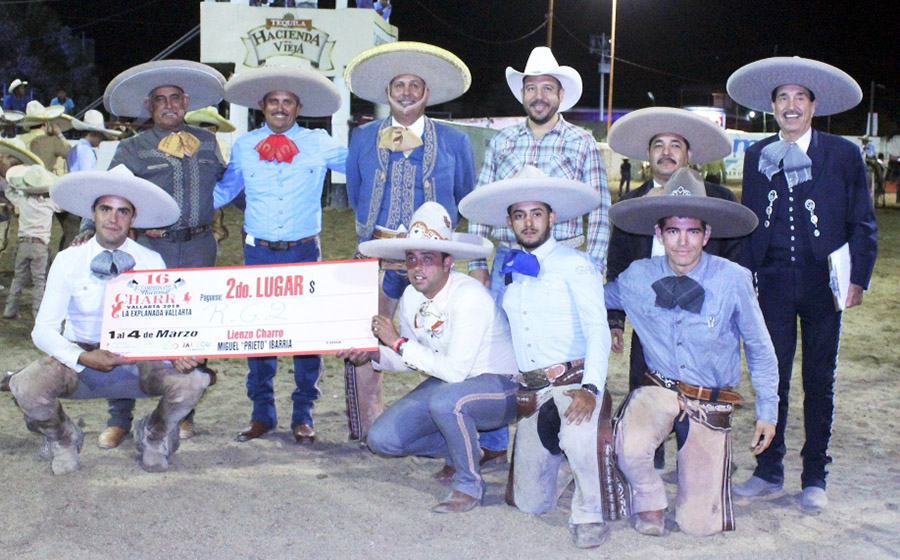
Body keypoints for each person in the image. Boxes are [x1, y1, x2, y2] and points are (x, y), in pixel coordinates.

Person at [727, 57, 878, 510]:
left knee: (819, 379)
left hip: (823, 284)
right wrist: (746, 277)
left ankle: (815, 475)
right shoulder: (757, 156)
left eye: (799, 98)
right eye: (783, 98)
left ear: (813, 107)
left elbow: (863, 222)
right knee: (771, 379)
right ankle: (768, 468)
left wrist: (858, 279)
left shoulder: (843, 154)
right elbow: (750, 221)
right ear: (772, 107)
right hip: (771, 282)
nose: (791, 106)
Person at [605, 166, 779, 536]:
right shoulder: (637, 276)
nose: (682, 242)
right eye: (673, 231)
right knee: (628, 447)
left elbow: (761, 347)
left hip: (709, 398)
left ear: (706, 234)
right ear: (659, 233)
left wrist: (768, 409)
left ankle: (698, 485)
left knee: (699, 525)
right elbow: (592, 299)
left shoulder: (733, 279)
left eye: (692, 231)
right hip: (659, 389)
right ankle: (650, 496)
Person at [459, 166, 625, 549]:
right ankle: (577, 461)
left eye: (536, 214)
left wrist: (591, 387)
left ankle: (590, 511)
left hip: (571, 382)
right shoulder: (512, 271)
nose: (528, 223)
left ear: (552, 217)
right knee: (531, 504)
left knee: (579, 428)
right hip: (532, 393)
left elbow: (598, 329)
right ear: (509, 222)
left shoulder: (576, 265)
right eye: (520, 215)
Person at [5, 165, 210, 474]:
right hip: (81, 361)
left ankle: (154, 434)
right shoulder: (68, 260)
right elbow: (43, 330)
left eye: (123, 211)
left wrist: (179, 350)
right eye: (106, 209)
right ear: (94, 213)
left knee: (195, 381)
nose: (113, 218)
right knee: (25, 386)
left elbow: (165, 322)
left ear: (133, 218)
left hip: (138, 361)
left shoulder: (151, 260)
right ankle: (63, 438)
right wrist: (83, 355)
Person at [466, 45, 611, 456]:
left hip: (564, 260)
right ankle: (495, 441)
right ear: (523, 93)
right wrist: (479, 263)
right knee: (496, 350)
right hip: (510, 262)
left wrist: (593, 268)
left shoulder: (582, 142)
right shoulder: (502, 142)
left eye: (547, 88)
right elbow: (482, 203)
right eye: (532, 88)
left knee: (569, 346)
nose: (539, 96)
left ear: (560, 94)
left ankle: (572, 426)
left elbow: (600, 209)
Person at [84, 59, 226, 449]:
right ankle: (119, 417)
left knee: (193, 327)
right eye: (160, 100)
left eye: (175, 98)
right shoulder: (131, 147)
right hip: (148, 247)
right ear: (150, 106)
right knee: (130, 327)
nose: (169, 105)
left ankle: (183, 411)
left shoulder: (210, 142)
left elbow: (230, 186)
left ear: (186, 102)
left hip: (199, 245)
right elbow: (109, 192)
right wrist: (85, 232)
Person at [340, 202, 518, 514]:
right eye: (411, 259)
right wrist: (373, 355)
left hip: (501, 387)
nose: (417, 267)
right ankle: (460, 449)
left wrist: (396, 342)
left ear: (448, 262)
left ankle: (468, 484)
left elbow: (454, 370)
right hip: (453, 386)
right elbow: (410, 359)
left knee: (447, 401)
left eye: (427, 259)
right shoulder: (411, 297)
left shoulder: (469, 296)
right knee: (381, 440)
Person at [342, 41, 475, 444]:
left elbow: (465, 196)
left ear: (426, 93)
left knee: (444, 341)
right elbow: (355, 191)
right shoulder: (363, 138)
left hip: (432, 262)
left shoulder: (455, 142)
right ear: (388, 92)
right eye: (399, 84)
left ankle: (449, 428)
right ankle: (370, 429)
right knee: (367, 340)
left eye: (414, 85)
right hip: (378, 258)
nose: (406, 92)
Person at [215, 66, 347, 445]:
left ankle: (303, 414)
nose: (280, 108)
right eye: (274, 101)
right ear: (262, 105)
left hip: (304, 251)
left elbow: (359, 170)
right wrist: (176, 210)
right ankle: (262, 414)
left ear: (298, 107)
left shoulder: (319, 142)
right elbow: (225, 191)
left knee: (306, 335)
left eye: (288, 102)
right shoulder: (244, 145)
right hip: (257, 253)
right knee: (260, 334)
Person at [605, 107, 742, 469]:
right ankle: (650, 458)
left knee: (700, 398)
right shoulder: (632, 206)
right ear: (647, 156)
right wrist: (616, 320)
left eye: (675, 145)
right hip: (650, 321)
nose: (666, 152)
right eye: (658, 145)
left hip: (704, 323)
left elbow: (738, 262)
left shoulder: (719, 201)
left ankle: (700, 456)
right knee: (645, 389)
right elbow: (617, 266)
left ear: (689, 154)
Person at [2, 165, 61, 319]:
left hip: (23, 244)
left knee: (18, 278)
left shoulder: (22, 201)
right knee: (39, 280)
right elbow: (63, 204)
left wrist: (13, 183)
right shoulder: (50, 203)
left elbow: (9, 192)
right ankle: (38, 312)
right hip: (40, 246)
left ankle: (10, 310)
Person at [185, 106, 238, 244]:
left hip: (210, 190)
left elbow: (220, 166)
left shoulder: (218, 143)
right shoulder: (191, 143)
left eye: (211, 127)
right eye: (207, 127)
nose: (210, 130)